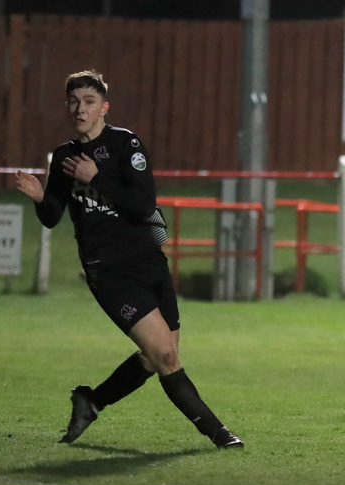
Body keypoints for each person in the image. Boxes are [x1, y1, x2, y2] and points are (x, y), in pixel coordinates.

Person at [15, 70, 242, 449]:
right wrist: (40, 197)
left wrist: (96, 177)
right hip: (109, 272)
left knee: (156, 358)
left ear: (104, 107)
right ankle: (219, 434)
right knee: (166, 354)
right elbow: (52, 216)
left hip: (149, 262)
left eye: (88, 102)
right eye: (73, 102)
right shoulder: (65, 158)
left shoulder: (125, 144)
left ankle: (92, 401)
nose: (79, 109)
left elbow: (142, 206)